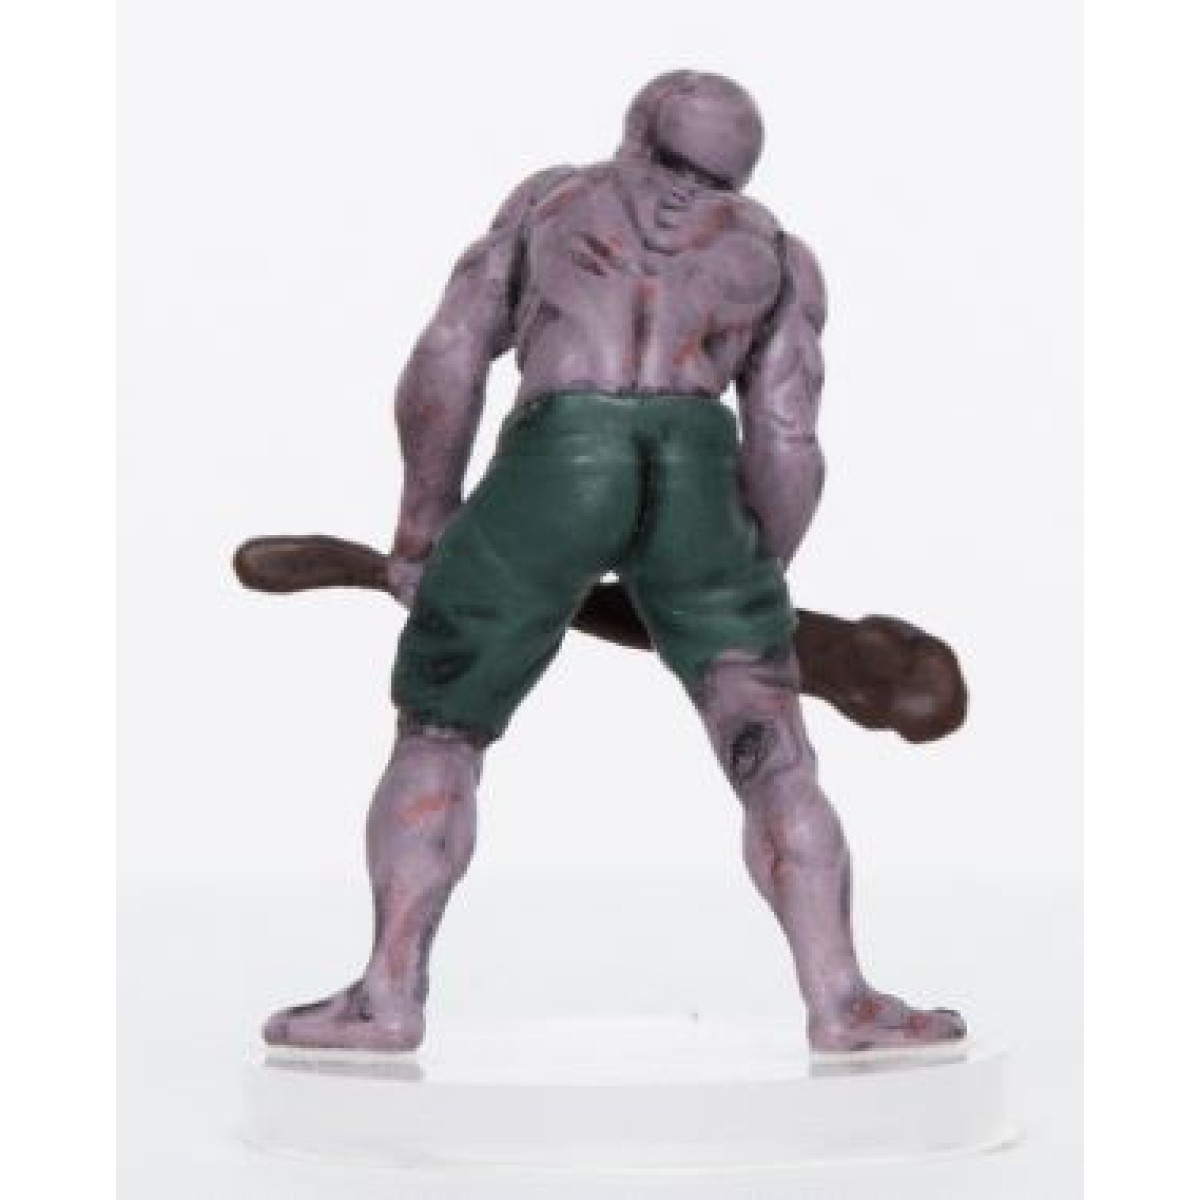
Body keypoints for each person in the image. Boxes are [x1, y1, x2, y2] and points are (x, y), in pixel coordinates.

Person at [263, 71, 966, 1054]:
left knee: (440, 733)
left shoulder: (554, 202)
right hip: (698, 468)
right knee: (769, 748)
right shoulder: (774, 252)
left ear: (635, 132)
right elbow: (787, 438)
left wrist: (423, 529)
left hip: (560, 455)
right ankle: (840, 997)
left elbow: (451, 351)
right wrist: (747, 589)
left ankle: (387, 993)